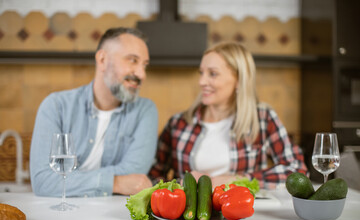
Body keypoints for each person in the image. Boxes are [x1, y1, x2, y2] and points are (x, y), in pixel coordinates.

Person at [150, 41, 308, 189]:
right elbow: (152, 177)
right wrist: (182, 184)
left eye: (212, 74)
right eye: (201, 73)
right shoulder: (178, 123)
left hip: (242, 213)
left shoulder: (262, 118)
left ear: (239, 80)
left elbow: (297, 171)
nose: (202, 81)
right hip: (188, 217)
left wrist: (238, 180)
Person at [30, 27, 158, 197]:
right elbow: (43, 181)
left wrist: (66, 181)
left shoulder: (146, 111)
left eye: (144, 65)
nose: (141, 74)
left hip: (114, 217)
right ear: (103, 59)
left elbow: (134, 177)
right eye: (133, 60)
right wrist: (116, 182)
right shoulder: (56, 106)